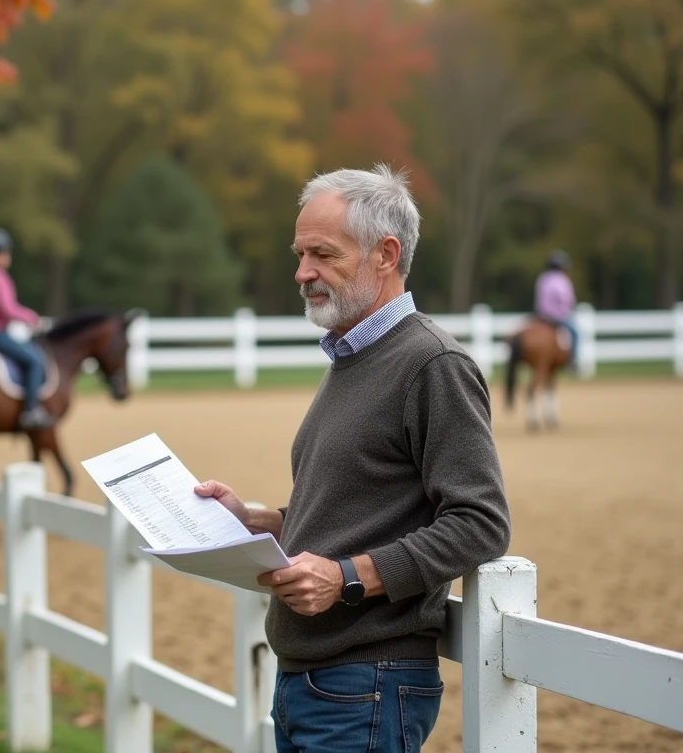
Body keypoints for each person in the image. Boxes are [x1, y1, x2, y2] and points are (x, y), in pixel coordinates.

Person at [194, 165, 512, 753]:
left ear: (386, 254)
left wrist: (346, 578)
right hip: (313, 682)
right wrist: (260, 522)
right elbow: (362, 505)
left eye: (322, 254)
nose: (302, 272)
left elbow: (481, 523)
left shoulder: (432, 365)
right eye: (300, 254)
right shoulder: (352, 357)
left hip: (367, 684)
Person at [0, 227, 56, 430]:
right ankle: (30, 411)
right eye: (5, 252)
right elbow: (7, 309)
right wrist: (32, 318)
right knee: (34, 361)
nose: (8, 256)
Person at [534, 249, 578, 367]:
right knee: (575, 332)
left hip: (540, 315)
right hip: (556, 317)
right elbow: (566, 300)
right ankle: (572, 360)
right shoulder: (562, 280)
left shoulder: (542, 278)